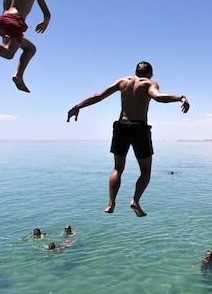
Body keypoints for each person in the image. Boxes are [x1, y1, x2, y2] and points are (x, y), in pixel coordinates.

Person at [67, 61, 190, 217]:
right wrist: (181, 98)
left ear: (136, 71)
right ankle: (135, 201)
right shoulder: (149, 83)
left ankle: (111, 204)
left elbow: (98, 96)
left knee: (118, 168)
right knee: (145, 171)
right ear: (150, 73)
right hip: (139, 128)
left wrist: (78, 106)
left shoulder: (123, 81)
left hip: (121, 126)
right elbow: (158, 97)